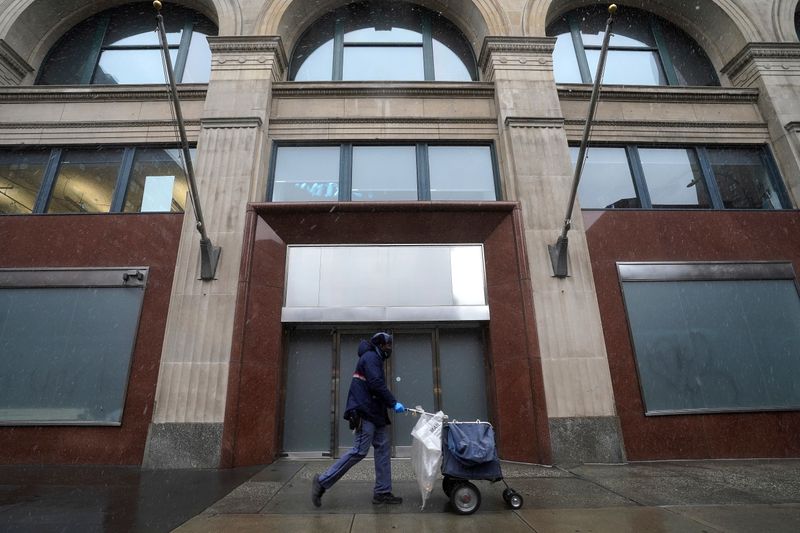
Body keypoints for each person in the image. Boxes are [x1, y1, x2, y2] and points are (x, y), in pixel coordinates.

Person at [311, 332, 406, 507]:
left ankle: (382, 493)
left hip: (375, 414)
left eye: (391, 345)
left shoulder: (375, 358)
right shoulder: (370, 357)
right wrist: (393, 403)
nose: (389, 348)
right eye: (387, 345)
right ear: (379, 345)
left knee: (383, 450)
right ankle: (322, 481)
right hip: (365, 411)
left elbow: (374, 388)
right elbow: (376, 384)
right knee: (359, 451)